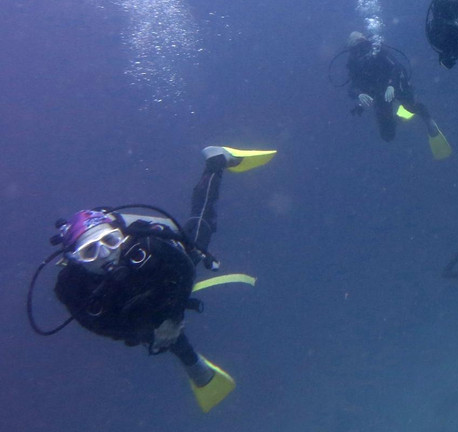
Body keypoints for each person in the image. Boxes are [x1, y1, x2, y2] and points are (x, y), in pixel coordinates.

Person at [27, 146, 277, 412]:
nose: (106, 255)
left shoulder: (146, 245)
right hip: (140, 307)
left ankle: (216, 162)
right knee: (157, 329)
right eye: (90, 252)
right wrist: (149, 334)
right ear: (76, 260)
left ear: (120, 236)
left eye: (110, 241)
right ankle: (194, 365)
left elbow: (185, 271)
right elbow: (102, 326)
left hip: (166, 275)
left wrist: (174, 317)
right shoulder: (73, 288)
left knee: (199, 230)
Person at [345, 32, 451, 159]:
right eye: (356, 50)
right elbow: (352, 87)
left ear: (367, 43)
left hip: (396, 86)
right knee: (387, 136)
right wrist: (360, 94)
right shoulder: (354, 64)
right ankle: (400, 117)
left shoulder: (378, 52)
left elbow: (397, 67)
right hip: (379, 95)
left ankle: (429, 121)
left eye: (362, 47)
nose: (360, 52)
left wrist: (392, 85)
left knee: (411, 106)